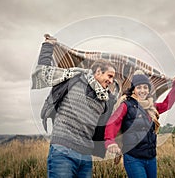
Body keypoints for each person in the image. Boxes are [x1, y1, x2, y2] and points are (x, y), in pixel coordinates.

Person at [33, 35, 116, 177]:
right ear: (97, 72)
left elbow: (110, 124)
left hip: (85, 157)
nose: (111, 81)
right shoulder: (75, 79)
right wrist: (48, 46)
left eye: (113, 78)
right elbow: (44, 72)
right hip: (62, 150)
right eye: (109, 76)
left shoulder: (106, 100)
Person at [104, 70, 175, 178]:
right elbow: (113, 122)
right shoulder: (126, 105)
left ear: (149, 89)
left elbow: (167, 104)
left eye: (145, 87)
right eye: (139, 87)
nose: (142, 90)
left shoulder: (151, 107)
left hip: (151, 158)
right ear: (133, 89)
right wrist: (110, 141)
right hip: (133, 158)